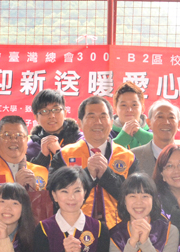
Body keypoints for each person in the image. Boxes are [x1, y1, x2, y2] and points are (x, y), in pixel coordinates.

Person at [49, 96, 133, 229]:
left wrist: (106, 174)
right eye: (91, 117)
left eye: (103, 116)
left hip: (119, 232)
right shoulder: (63, 155)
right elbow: (53, 197)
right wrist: (88, 175)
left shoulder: (128, 157)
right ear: (80, 123)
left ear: (111, 122)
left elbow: (133, 198)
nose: (97, 122)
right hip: (73, 230)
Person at [0, 115, 50, 220]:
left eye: (19, 135)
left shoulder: (42, 172)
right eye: (7, 135)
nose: (13, 140)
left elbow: (48, 215)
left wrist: (34, 193)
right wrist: (16, 189)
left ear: (26, 140)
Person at [130, 100, 180, 177]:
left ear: (179, 124)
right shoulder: (133, 156)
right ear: (149, 123)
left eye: (171, 117)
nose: (166, 122)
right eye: (160, 117)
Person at [26, 89, 80, 169]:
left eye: (56, 109)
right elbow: (27, 175)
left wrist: (59, 153)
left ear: (65, 113)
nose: (51, 116)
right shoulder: (30, 146)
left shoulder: (79, 141)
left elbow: (83, 174)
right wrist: (42, 156)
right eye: (44, 111)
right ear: (36, 118)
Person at [111, 81, 153, 149]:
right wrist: (122, 137)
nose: (129, 110)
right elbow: (106, 153)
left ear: (142, 108)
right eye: (124, 105)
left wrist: (141, 134)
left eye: (134, 105)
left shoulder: (153, 131)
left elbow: (161, 148)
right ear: (115, 109)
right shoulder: (107, 132)